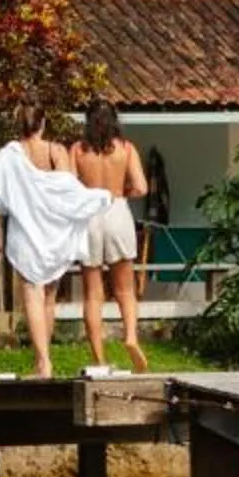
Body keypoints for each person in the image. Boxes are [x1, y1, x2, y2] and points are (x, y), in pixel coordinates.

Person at [0, 105, 110, 379]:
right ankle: (45, 359)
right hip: (55, 234)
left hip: (27, 233)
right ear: (43, 123)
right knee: (49, 297)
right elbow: (68, 192)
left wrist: (24, 199)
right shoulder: (57, 152)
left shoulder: (8, 156)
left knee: (32, 292)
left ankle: (43, 362)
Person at [68, 100, 150, 372]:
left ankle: (99, 359)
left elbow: (67, 186)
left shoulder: (78, 150)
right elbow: (141, 187)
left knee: (93, 293)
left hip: (89, 211)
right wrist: (122, 192)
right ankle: (130, 336)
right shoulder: (125, 149)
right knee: (125, 289)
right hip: (116, 209)